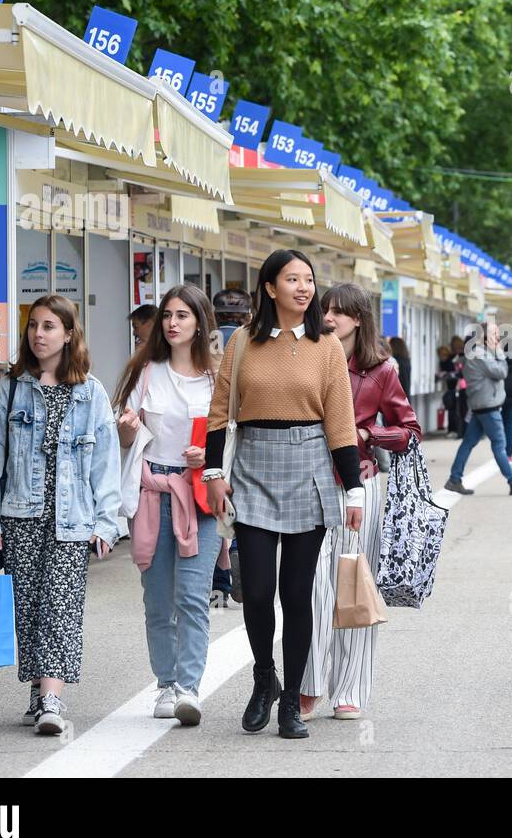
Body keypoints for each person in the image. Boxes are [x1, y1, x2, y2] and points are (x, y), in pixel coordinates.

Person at [203, 249, 365, 740]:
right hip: (252, 465)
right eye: (291, 279)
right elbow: (218, 412)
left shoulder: (327, 345)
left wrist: (353, 487)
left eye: (308, 280)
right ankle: (262, 680)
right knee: (254, 589)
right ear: (270, 288)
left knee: (297, 595)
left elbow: (340, 421)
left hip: (310, 465)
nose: (303, 288)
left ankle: (291, 700)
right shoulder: (241, 342)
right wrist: (213, 472)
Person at [0, 294, 122, 735]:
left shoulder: (90, 391)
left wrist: (106, 522)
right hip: (20, 516)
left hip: (72, 519)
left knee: (60, 607)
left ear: (68, 334)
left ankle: (52, 700)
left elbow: (106, 462)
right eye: (34, 326)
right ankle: (40, 691)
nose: (38, 334)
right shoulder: (11, 388)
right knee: (30, 609)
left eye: (49, 327)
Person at [300, 285, 422, 721]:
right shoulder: (306, 355)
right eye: (325, 309)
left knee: (353, 582)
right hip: (309, 485)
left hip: (360, 485)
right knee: (312, 587)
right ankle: (307, 685)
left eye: (339, 311)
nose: (329, 316)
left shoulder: (381, 369)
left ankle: (349, 687)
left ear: (358, 319)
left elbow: (409, 429)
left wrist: (370, 434)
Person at [114, 285, 222, 726]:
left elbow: (231, 437)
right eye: (167, 315)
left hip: (198, 494)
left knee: (193, 597)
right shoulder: (146, 372)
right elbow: (122, 438)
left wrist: (207, 458)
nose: (172, 323)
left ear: (200, 322)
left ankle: (188, 687)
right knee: (158, 599)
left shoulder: (218, 377)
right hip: (152, 491)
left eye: (182, 315)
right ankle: (164, 682)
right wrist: (126, 428)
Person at [444, 323, 512, 496]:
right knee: (500, 445)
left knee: (468, 443)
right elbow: (501, 372)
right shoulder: (480, 355)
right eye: (495, 333)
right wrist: (499, 351)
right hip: (488, 407)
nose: (498, 337)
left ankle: (454, 479)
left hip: (482, 405)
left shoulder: (478, 353)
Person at [210, 288, 253, 606]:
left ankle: (218, 574)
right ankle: (239, 551)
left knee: (213, 500)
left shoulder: (208, 340)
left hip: (212, 426)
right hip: (247, 427)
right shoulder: (251, 339)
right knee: (243, 497)